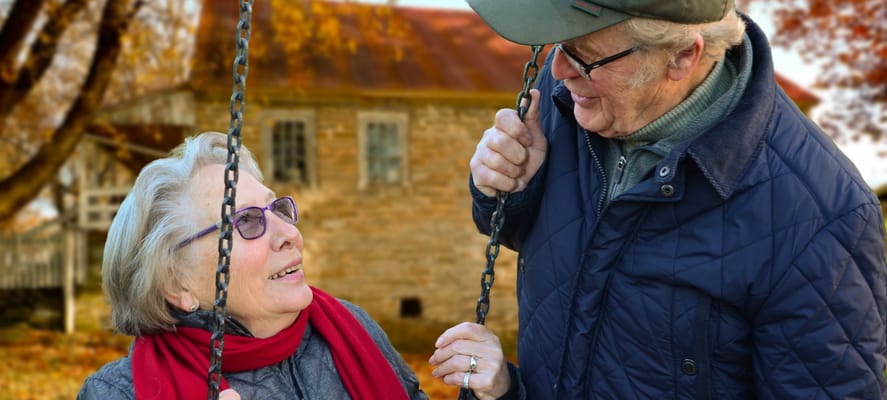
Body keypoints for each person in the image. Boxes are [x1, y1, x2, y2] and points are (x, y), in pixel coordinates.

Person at [465, 0, 887, 398]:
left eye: (584, 55)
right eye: (559, 46)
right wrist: (505, 190)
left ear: (683, 56)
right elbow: (552, 243)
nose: (559, 69)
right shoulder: (570, 98)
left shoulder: (821, 217)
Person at [77, 132, 522, 400]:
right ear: (176, 284)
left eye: (278, 210)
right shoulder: (118, 393)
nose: (289, 233)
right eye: (247, 222)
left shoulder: (351, 330)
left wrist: (499, 393)